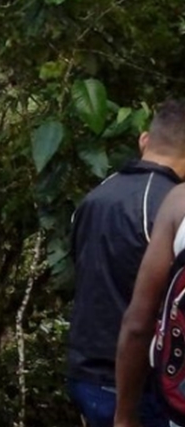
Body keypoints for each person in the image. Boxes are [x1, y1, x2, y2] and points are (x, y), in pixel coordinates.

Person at [69, 100, 185, 427]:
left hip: (85, 371)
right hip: (137, 383)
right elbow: (146, 315)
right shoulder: (171, 205)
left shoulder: (94, 196)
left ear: (144, 139)